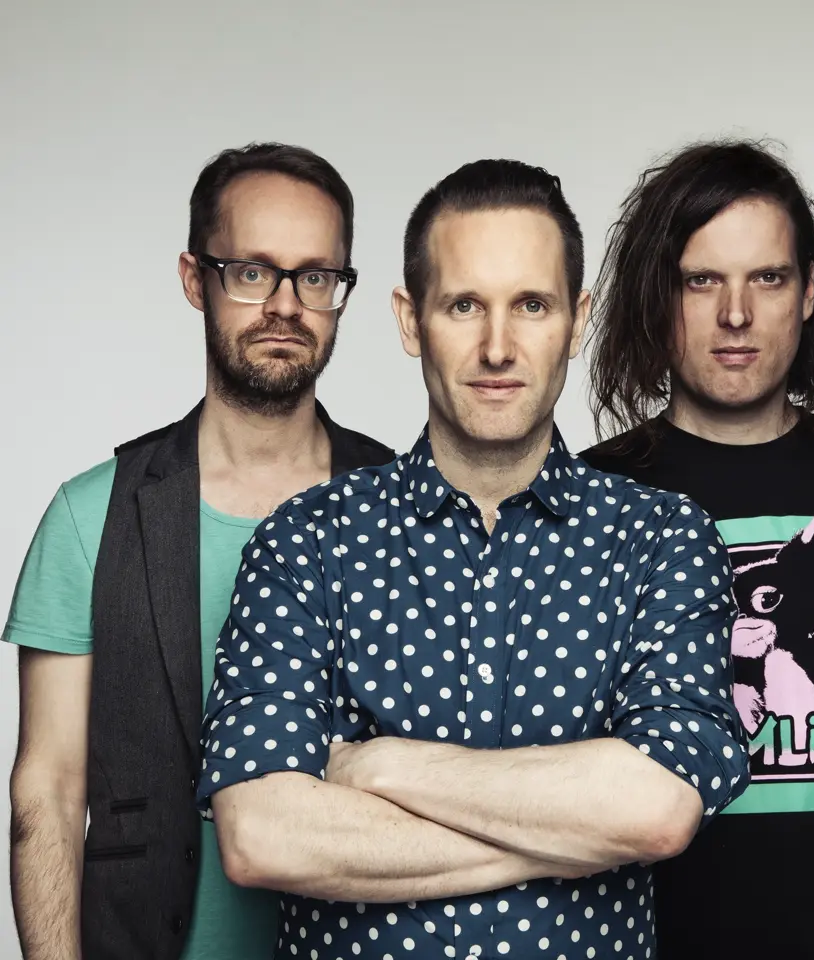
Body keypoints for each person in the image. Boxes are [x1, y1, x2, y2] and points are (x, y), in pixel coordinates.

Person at [193, 157, 749, 960]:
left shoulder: (659, 537)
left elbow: (657, 810)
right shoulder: (306, 539)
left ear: (577, 318)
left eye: (531, 304)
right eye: (463, 306)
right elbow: (265, 836)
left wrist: (381, 767)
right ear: (411, 319)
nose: (498, 346)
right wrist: (571, 833)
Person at [5, 142, 395, 960]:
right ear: (195, 280)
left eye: (315, 276)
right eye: (252, 271)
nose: (285, 304)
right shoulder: (91, 516)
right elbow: (47, 788)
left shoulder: (403, 507)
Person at [581, 140, 814, 960]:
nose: (737, 315)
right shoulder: (589, 500)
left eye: (769, 278)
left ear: (810, 292)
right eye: (702, 279)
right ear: (660, 299)